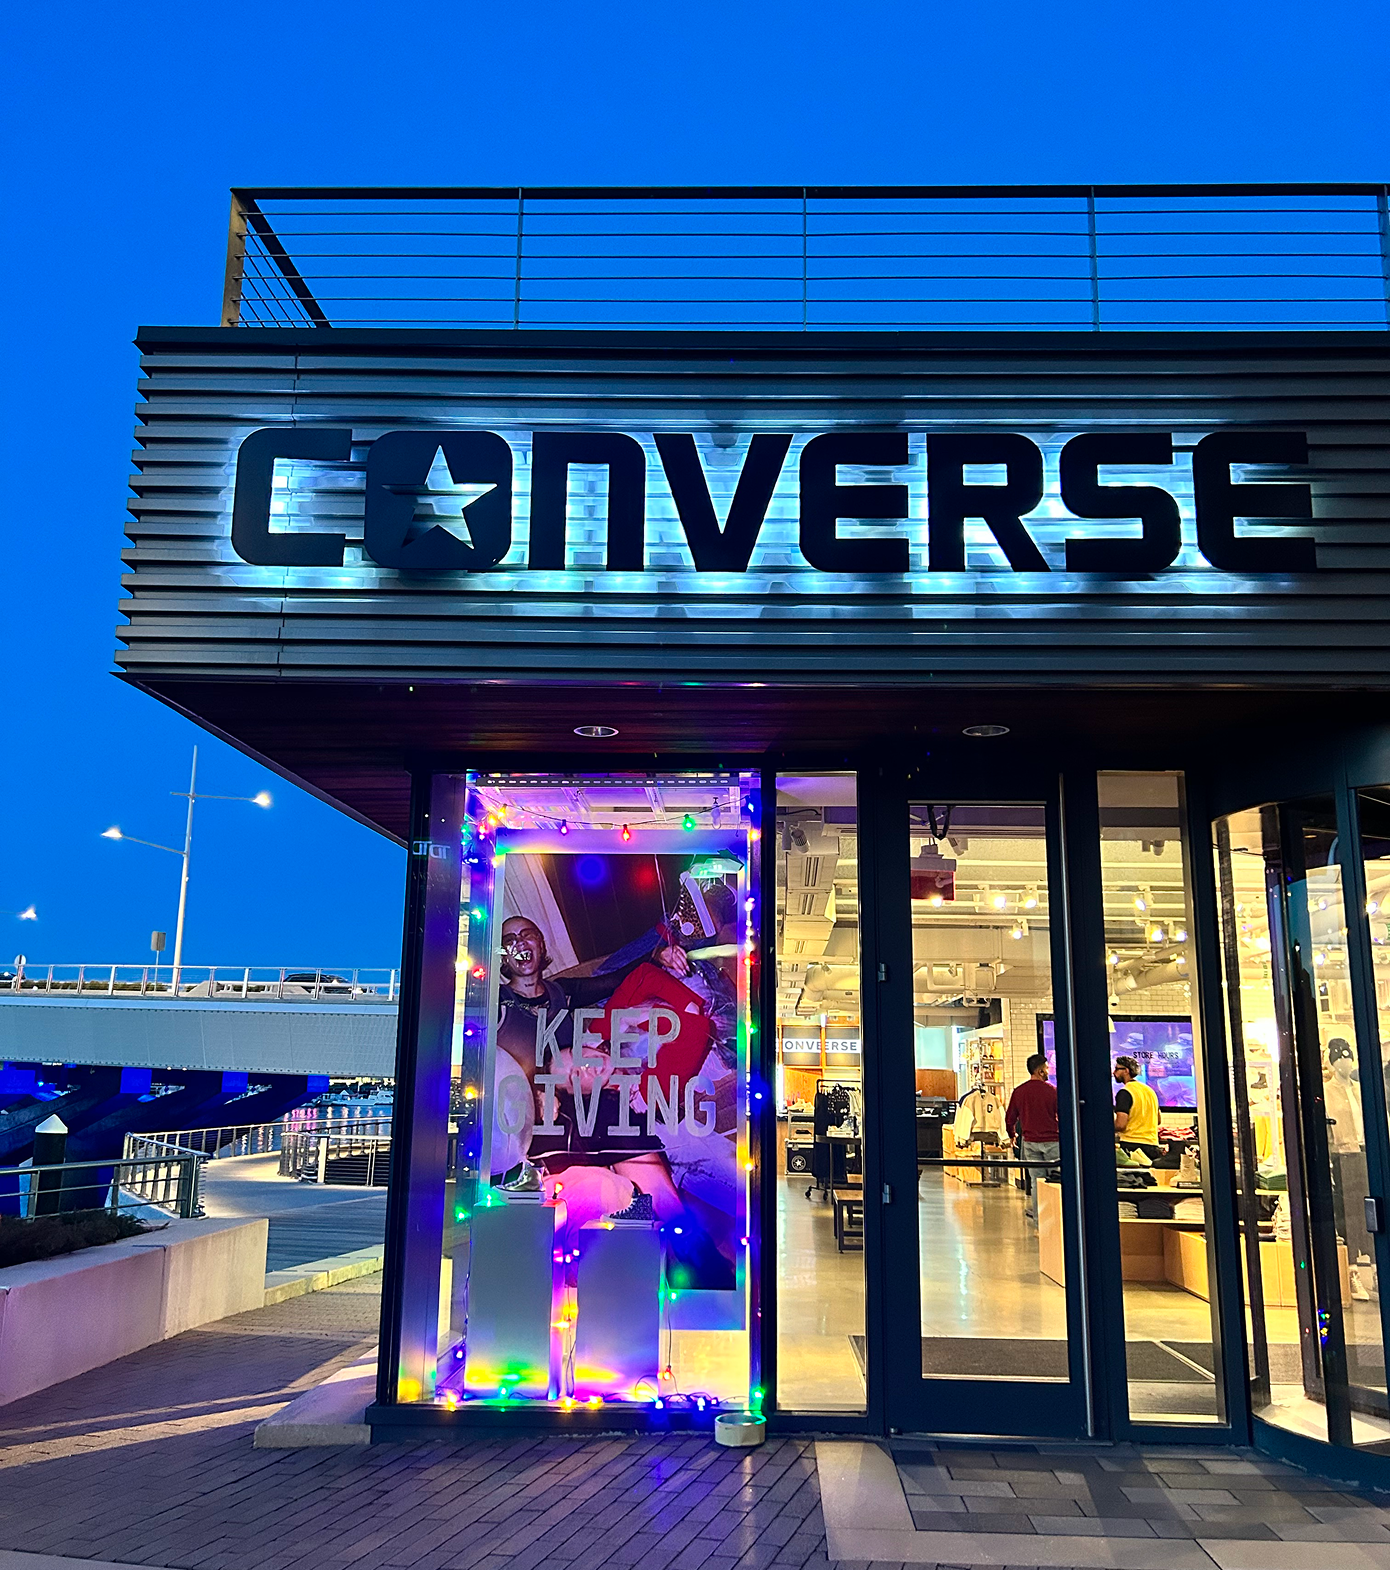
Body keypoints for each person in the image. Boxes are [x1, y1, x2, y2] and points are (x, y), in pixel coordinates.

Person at [1004, 1053, 1060, 1221]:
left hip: (1030, 1142)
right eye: (1047, 1068)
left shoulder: (1019, 1092)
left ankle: (1040, 1221)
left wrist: (1012, 1135)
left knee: (1037, 1182)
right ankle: (1057, 1220)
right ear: (1040, 1071)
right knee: (1056, 1182)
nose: (1049, 1071)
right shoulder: (1052, 1091)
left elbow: (1009, 1118)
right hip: (1053, 1142)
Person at [1113, 1055, 1162, 1161]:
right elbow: (1158, 1120)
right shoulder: (1150, 1091)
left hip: (1132, 1146)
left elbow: (1121, 1124)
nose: (1113, 1072)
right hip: (1153, 1146)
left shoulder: (1125, 1092)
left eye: (1117, 1069)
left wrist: (1106, 1127)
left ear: (1126, 1071)